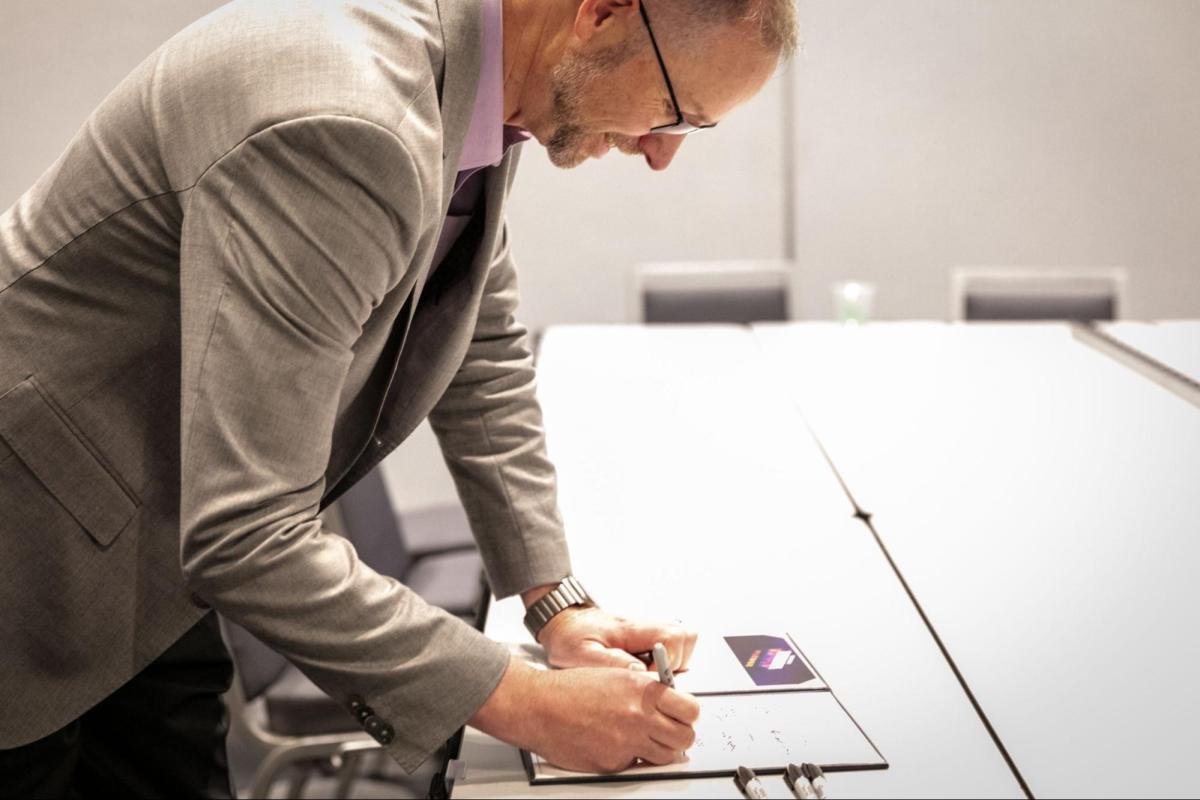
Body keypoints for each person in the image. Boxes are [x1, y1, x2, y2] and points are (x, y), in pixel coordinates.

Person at [0, 0, 799, 795]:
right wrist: (525, 702)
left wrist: (556, 602)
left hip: (145, 536)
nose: (660, 154)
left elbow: (476, 340)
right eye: (673, 112)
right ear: (601, 13)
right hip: (30, 550)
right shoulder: (353, 119)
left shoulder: (482, 88)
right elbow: (248, 532)